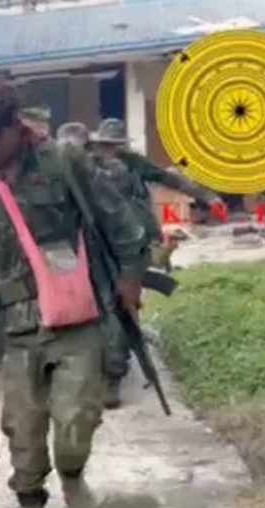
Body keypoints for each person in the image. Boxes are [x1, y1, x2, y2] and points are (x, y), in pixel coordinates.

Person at [0, 81, 148, 508]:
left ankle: (73, 477)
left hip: (77, 313)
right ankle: (30, 504)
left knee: (76, 418)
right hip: (13, 324)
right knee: (23, 426)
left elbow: (120, 222)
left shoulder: (63, 161)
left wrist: (130, 276)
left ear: (14, 126)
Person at [89, 118, 222, 408]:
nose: (109, 150)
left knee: (123, 305)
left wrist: (206, 195)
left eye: (113, 146)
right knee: (107, 307)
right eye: (105, 145)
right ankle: (109, 369)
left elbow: (169, 178)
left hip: (132, 243)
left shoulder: (132, 163)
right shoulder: (85, 167)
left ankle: (114, 372)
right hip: (99, 244)